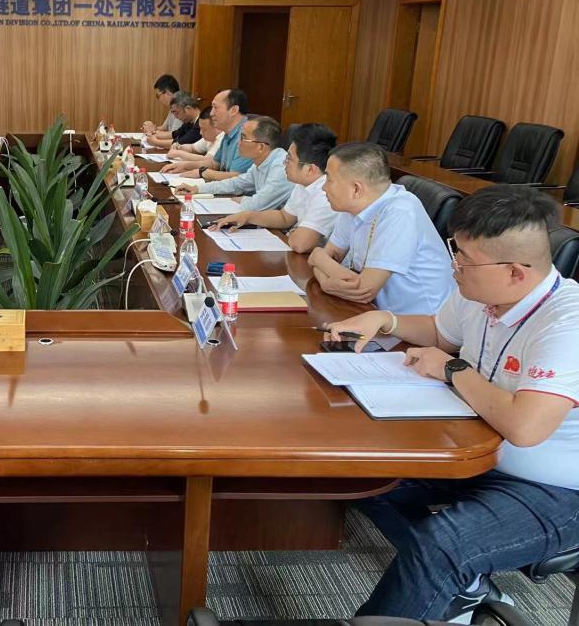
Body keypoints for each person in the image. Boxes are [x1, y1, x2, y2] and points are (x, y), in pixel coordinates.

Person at [326, 184, 579, 624]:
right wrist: (385, 320)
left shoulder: (566, 322)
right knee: (364, 478)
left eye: (464, 259)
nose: (453, 266)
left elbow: (526, 427)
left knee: (442, 544)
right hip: (477, 453)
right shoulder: (479, 293)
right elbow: (442, 334)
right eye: (454, 250)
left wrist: (453, 369)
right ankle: (464, 585)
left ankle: (449, 574)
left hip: (555, 487)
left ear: (516, 273)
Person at [307, 142, 454, 314]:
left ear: (356, 189)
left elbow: (363, 291)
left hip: (421, 321)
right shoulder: (352, 206)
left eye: (329, 179)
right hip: (378, 312)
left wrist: (318, 258)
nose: (323, 187)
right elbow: (331, 257)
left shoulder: (400, 212)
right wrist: (322, 268)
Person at [211, 123, 338, 253]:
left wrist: (294, 233)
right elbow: (284, 217)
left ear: (310, 169)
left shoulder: (325, 194)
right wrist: (247, 216)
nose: (284, 163)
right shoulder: (303, 184)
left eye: (289, 159)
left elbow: (300, 245)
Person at [175, 116, 293, 213]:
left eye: (243, 138)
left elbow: (258, 205)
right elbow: (235, 184)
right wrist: (197, 188)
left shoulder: (282, 167)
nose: (238, 143)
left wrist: (243, 199)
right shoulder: (260, 162)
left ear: (261, 147)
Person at [161, 88, 253, 178]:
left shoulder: (248, 136)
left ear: (233, 110)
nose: (211, 113)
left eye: (215, 107)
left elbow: (236, 178)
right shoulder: (228, 133)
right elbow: (215, 163)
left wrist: (203, 173)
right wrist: (184, 166)